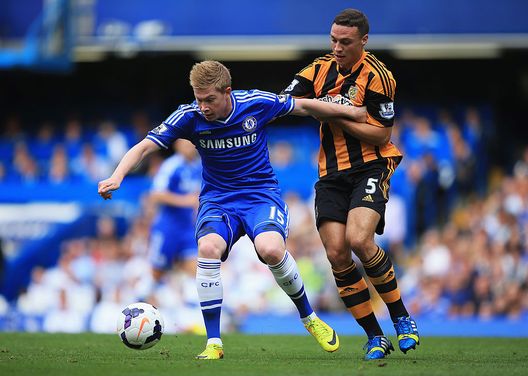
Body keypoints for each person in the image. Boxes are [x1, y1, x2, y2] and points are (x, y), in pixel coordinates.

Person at [98, 60, 367, 360]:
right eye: (199, 99)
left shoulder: (256, 103)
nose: (203, 107)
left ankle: (309, 318)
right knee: (208, 248)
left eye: (209, 99)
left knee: (271, 250)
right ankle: (214, 342)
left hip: (259, 195)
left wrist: (352, 111)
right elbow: (145, 146)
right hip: (218, 200)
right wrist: (117, 176)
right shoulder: (189, 116)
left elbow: (304, 107)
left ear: (227, 92)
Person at [281, 8, 419, 360]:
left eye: (345, 42)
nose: (337, 47)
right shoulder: (318, 69)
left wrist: (333, 113)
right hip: (330, 174)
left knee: (359, 239)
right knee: (337, 253)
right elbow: (290, 103)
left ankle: (401, 316)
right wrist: (344, 110)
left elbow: (380, 132)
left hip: (372, 165)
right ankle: (375, 336)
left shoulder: (379, 77)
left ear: (363, 41)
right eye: (333, 40)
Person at [146, 138, 201, 298]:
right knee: (156, 272)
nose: (190, 147)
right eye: (186, 143)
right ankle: (140, 304)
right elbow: (156, 194)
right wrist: (186, 201)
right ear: (177, 145)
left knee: (197, 272)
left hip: (187, 227)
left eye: (192, 142)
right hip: (168, 227)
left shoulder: (198, 166)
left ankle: (196, 312)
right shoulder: (171, 166)